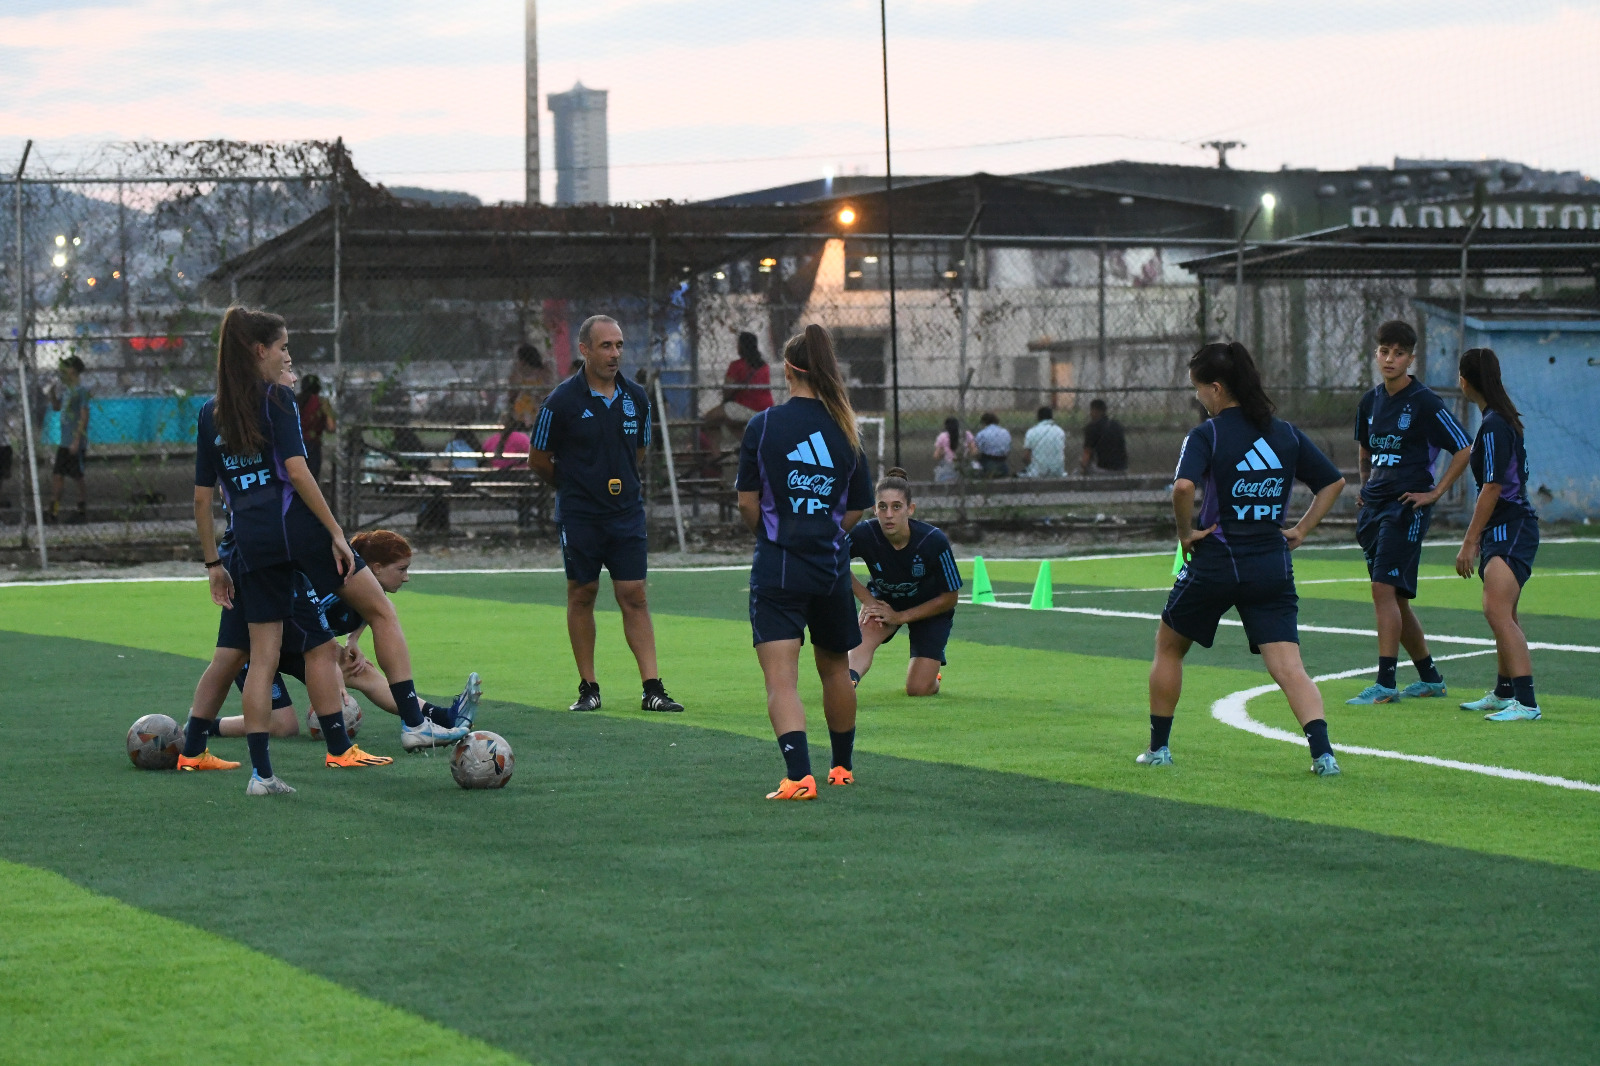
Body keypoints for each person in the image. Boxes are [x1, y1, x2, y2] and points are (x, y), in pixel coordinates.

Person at [185, 306, 391, 795]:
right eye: (282, 347)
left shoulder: (211, 412)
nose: (287, 355)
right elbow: (296, 472)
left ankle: (251, 769)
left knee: (254, 656)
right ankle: (376, 733)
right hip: (287, 541)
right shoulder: (276, 398)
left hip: (244, 546)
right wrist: (335, 532)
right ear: (260, 350)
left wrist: (213, 564)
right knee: (334, 633)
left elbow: (201, 499)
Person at [1145, 341, 1347, 774]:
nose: (1198, 397)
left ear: (1217, 388)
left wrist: (1185, 533)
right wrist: (1301, 529)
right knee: (1289, 666)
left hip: (1217, 558)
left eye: (1198, 388)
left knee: (1169, 646)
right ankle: (1323, 754)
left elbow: (1183, 487)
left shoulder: (1208, 434)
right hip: (1271, 563)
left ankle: (1159, 749)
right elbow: (1333, 482)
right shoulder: (1284, 432)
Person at [736, 323, 873, 799]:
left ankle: (799, 777)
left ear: (788, 370)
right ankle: (842, 769)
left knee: (781, 679)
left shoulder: (764, 425)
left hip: (778, 566)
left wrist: (776, 533)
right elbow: (857, 506)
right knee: (835, 669)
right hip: (830, 568)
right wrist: (826, 531)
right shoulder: (846, 427)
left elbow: (747, 503)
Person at [529, 314, 684, 714]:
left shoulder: (637, 398)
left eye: (619, 345)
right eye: (606, 346)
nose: (615, 354)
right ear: (584, 350)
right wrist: (574, 486)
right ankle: (589, 687)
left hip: (625, 513)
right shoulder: (560, 402)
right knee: (582, 593)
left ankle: (652, 688)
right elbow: (538, 458)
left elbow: (638, 451)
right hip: (580, 516)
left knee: (634, 594)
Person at [203, 529, 482, 741]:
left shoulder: (372, 598)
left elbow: (368, 616)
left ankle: (443, 717)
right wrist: (334, 680)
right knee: (283, 726)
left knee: (363, 670)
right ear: (375, 569)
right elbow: (317, 637)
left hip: (298, 648)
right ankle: (206, 726)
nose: (406, 577)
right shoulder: (331, 588)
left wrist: (353, 641)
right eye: (401, 569)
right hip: (261, 647)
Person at [1346, 320, 1472, 705]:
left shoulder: (1425, 402)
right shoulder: (1369, 401)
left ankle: (1385, 684)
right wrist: (1365, 485)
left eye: (1398, 353)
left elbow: (1464, 447)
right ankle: (1431, 678)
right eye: (1384, 351)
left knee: (1382, 588)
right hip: (1374, 506)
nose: (1390, 359)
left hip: (1405, 508)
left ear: (1410, 359)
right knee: (1395, 598)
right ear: (1376, 354)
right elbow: (1365, 448)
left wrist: (1435, 493)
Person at [1453, 348, 1542, 722]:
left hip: (1511, 527)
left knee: (1496, 610)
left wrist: (1469, 541)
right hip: (1503, 528)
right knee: (1505, 611)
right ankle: (1506, 693)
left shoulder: (1493, 425)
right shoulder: (1498, 419)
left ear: (1464, 381)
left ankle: (1528, 704)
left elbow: (1492, 487)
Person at [847, 468, 962, 696]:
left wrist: (900, 617)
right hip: (884, 602)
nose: (889, 514)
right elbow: (833, 561)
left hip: (929, 610)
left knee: (918, 689)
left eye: (896, 507)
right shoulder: (864, 533)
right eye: (882, 507)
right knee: (864, 638)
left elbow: (950, 598)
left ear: (910, 509)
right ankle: (847, 683)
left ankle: (933, 676)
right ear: (874, 509)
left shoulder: (933, 541)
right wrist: (869, 601)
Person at [703, 331, 775, 437]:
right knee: (731, 423)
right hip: (766, 408)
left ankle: (714, 447)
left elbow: (727, 391)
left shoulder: (736, 365)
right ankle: (748, 445)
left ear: (741, 347)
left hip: (744, 407)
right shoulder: (764, 366)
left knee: (709, 419)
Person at [50, 355, 90, 523]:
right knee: (58, 475)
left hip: (74, 441)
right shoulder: (67, 390)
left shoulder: (81, 391)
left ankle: (81, 508)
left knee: (77, 476)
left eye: (66, 368)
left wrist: (77, 440)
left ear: (73, 370)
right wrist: (52, 393)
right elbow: (56, 407)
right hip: (64, 441)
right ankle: (53, 511)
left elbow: (84, 416)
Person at [506, 343, 555, 432]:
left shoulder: (543, 372)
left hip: (539, 408)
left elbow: (549, 391)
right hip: (521, 413)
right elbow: (511, 394)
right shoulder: (517, 375)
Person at [296, 373, 334, 481]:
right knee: (311, 480)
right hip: (313, 445)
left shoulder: (294, 401)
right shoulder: (321, 402)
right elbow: (331, 427)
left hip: (294, 444)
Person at [1080, 398, 1128, 474]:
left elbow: (1087, 454)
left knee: (1077, 471)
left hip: (1104, 470)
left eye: (1091, 410)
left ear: (1094, 411)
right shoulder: (1116, 425)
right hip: (1122, 469)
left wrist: (1083, 467)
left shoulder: (1092, 427)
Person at [1021, 406, 1068, 478]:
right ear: (1051, 417)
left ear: (1038, 417)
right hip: (1057, 473)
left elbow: (1026, 457)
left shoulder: (1031, 432)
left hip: (1037, 473)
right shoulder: (1060, 431)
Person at [932, 417, 976, 483]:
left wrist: (943, 452)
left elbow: (936, 456)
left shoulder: (942, 436)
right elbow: (974, 452)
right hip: (964, 464)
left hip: (948, 465)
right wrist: (967, 450)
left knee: (940, 468)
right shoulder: (966, 434)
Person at [974, 412, 1011, 478]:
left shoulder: (982, 434)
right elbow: (1008, 450)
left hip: (987, 463)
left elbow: (976, 452)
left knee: (974, 463)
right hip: (1003, 464)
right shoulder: (1005, 432)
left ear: (984, 422)